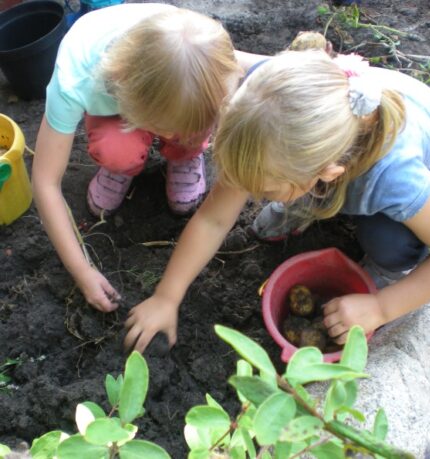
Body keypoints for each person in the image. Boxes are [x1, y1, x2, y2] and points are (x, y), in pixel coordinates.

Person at [124, 48, 430, 353]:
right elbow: (213, 219)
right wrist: (167, 296)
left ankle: (388, 268)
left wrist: (382, 307)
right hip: (327, 166)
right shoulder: (266, 105)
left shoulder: (392, 177)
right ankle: (300, 200)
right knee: (297, 183)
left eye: (265, 190)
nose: (249, 195)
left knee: (389, 241)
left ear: (327, 173)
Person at [32, 3, 264, 313]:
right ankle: (124, 163)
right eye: (169, 128)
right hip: (115, 97)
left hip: (167, 86)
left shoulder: (207, 53)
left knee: (193, 122)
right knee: (118, 148)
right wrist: (82, 270)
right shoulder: (76, 79)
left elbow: (271, 71)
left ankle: (184, 154)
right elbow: (45, 182)